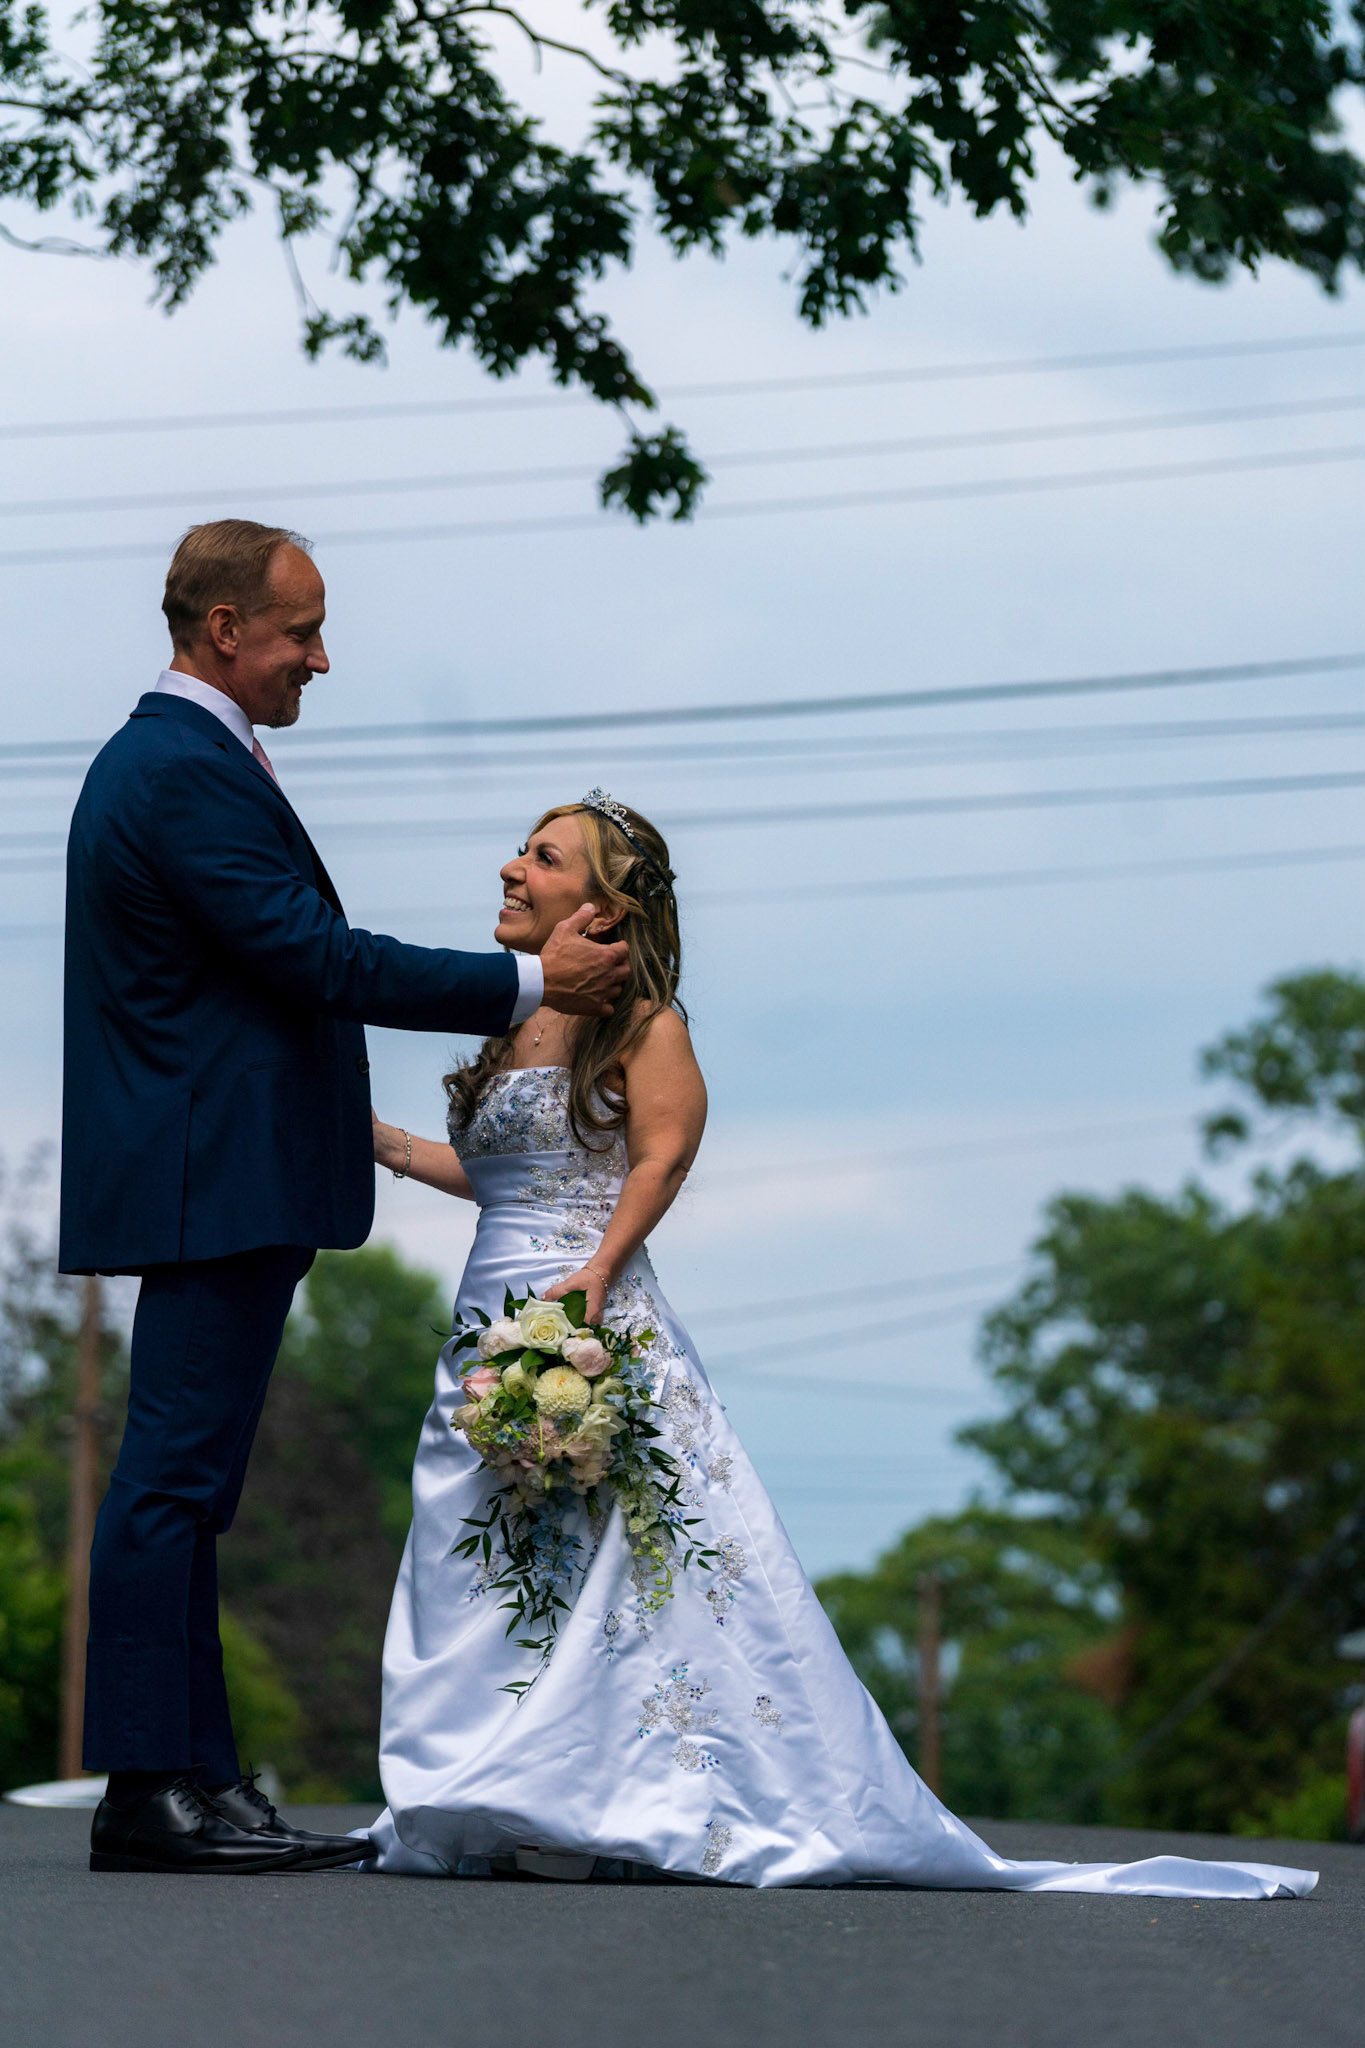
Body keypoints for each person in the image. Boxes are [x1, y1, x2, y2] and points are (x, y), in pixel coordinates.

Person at [365, 792, 1317, 1898]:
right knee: (495, 1557)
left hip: (588, 1323)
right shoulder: (516, 1015)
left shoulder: (645, 1025)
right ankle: (502, 1788)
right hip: (491, 1326)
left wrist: (595, 1274)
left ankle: (631, 1798)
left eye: (540, 857)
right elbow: (504, 1177)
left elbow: (659, 1157)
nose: (511, 870)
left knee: (627, 1565)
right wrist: (389, 1145)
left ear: (603, 901)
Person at [60, 521, 629, 1875]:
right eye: (302, 631)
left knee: (190, 1485)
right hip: (214, 1176)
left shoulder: (187, 760)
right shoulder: (178, 769)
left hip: (224, 1174)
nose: (323, 655)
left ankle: (195, 1774)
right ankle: (152, 1789)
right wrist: (536, 983)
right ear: (223, 634)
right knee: (171, 1482)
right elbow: (312, 956)